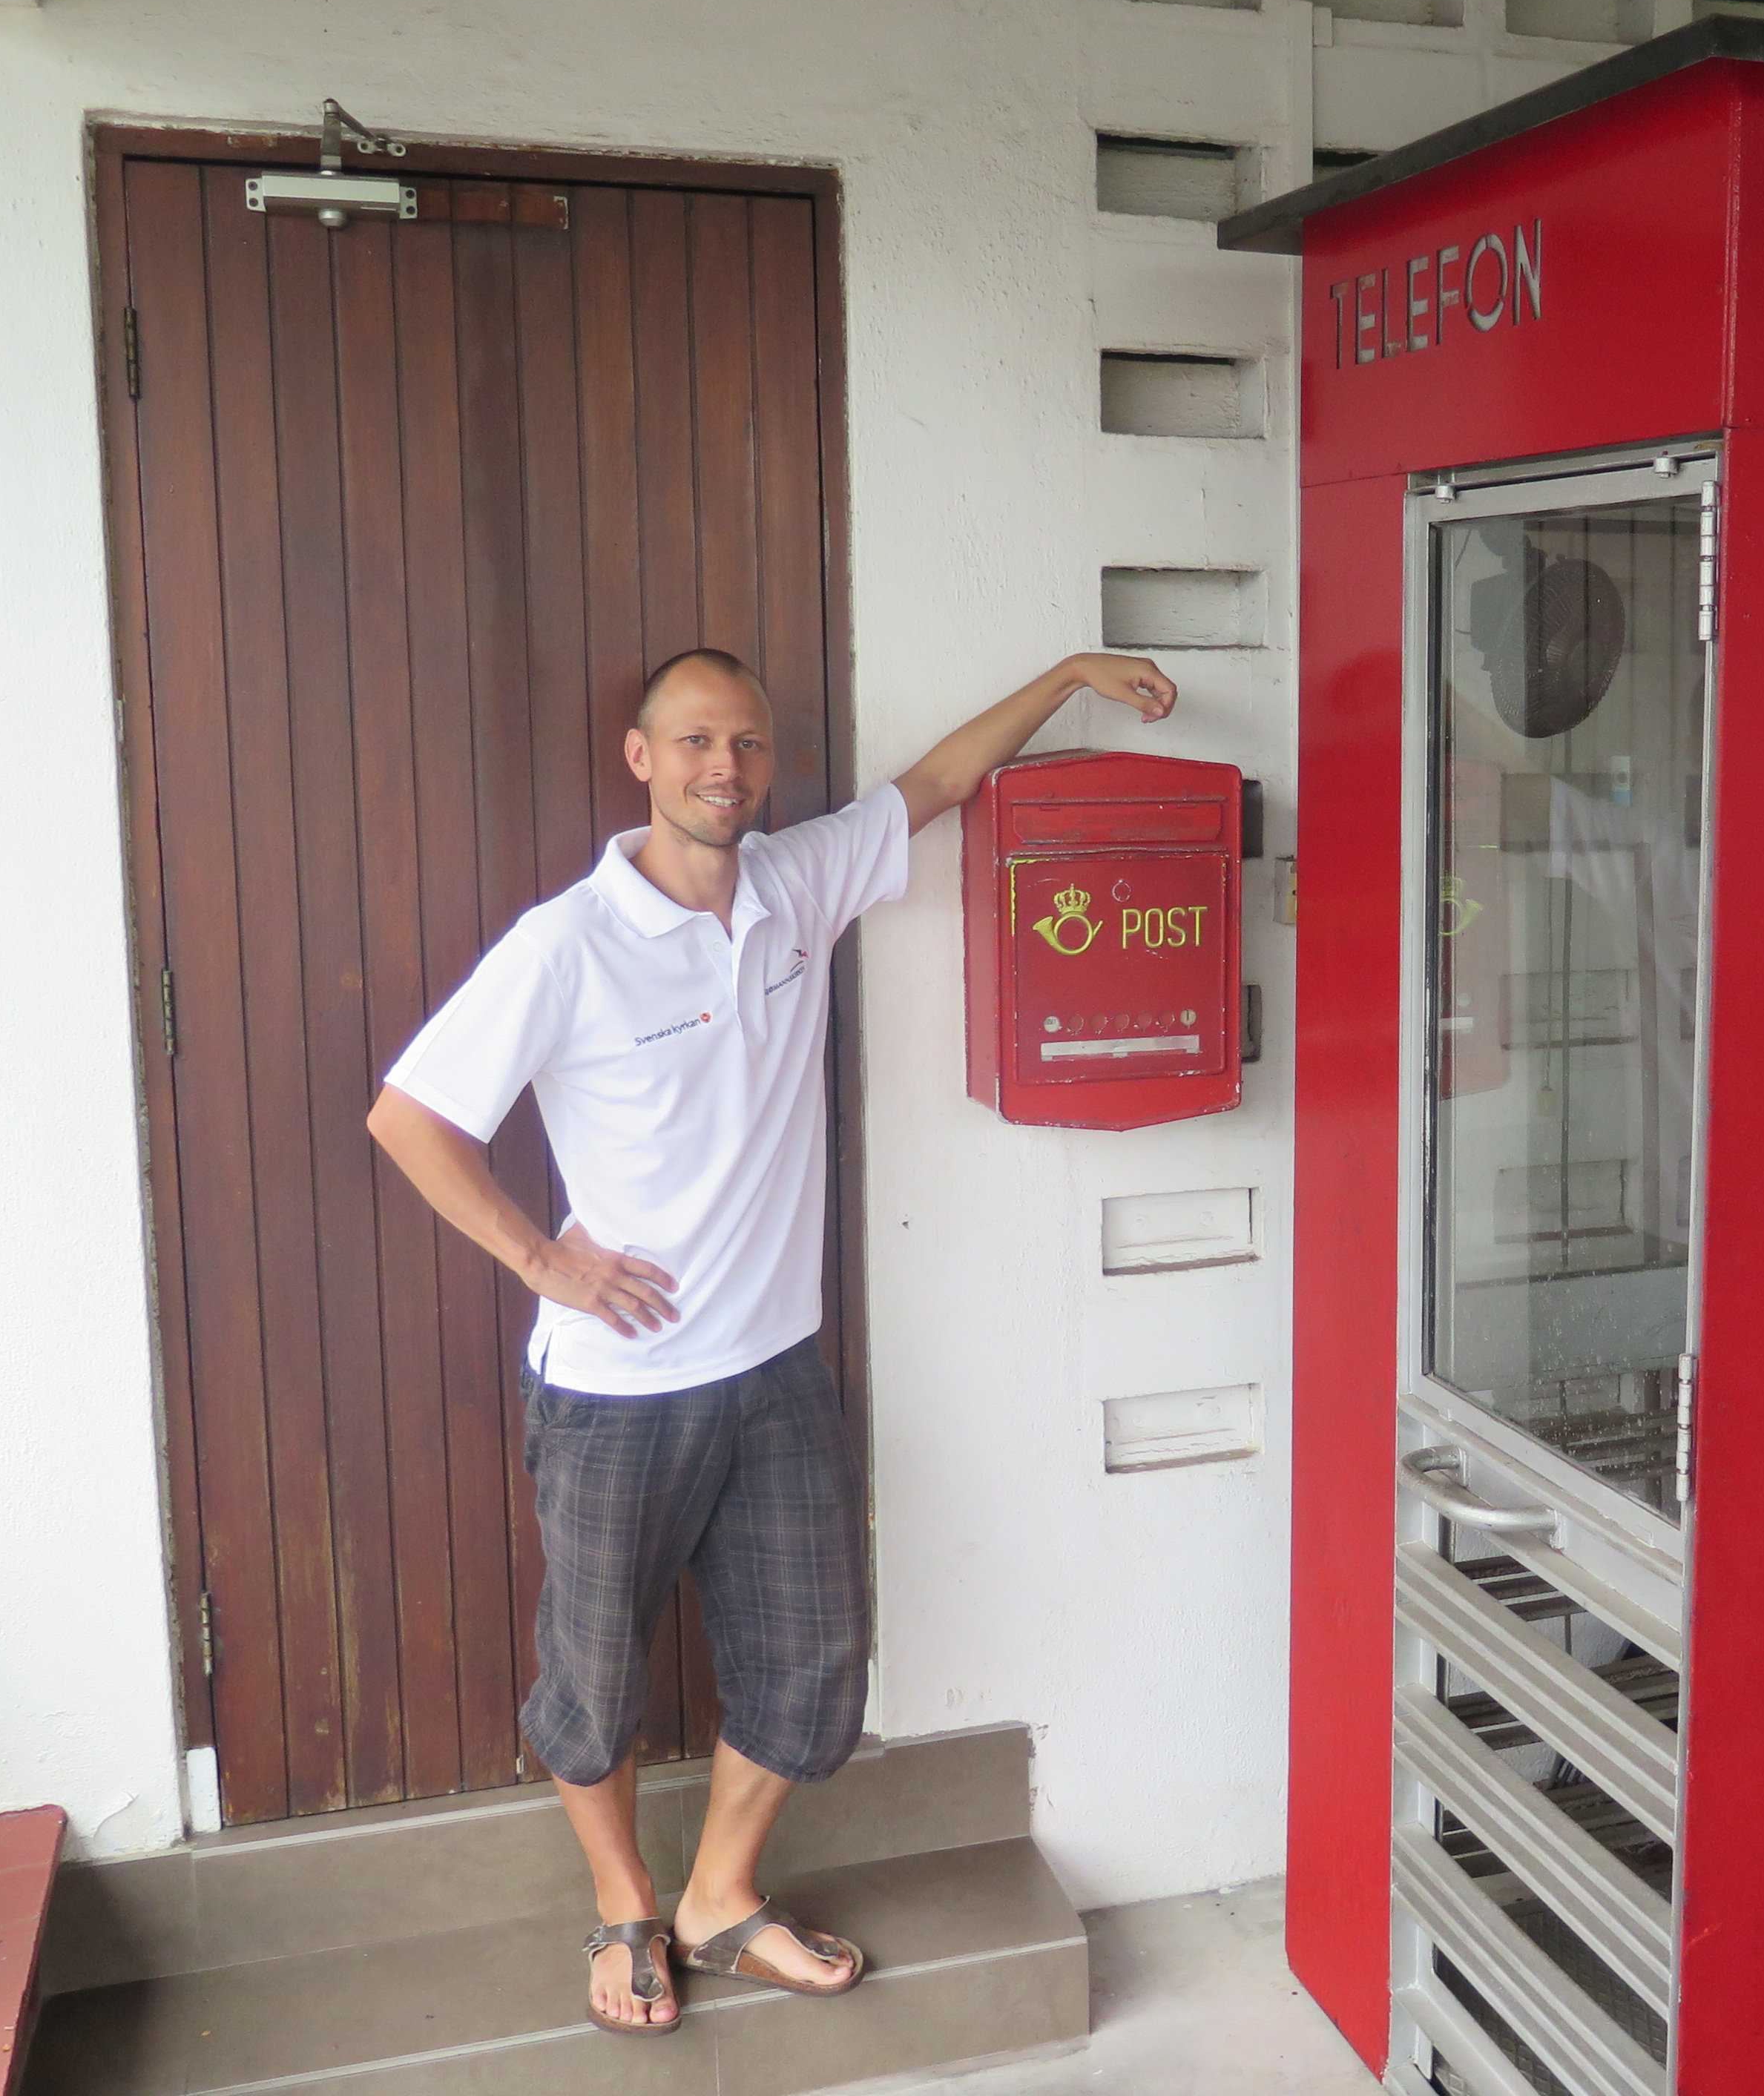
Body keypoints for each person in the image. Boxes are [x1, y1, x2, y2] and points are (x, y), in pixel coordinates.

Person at [367, 646, 1178, 2034]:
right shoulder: (569, 942)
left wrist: (1070, 675)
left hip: (776, 1368)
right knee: (598, 1675)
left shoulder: (798, 884)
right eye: (693, 743)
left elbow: (934, 782)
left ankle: (719, 1900)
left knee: (811, 1661)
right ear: (641, 758)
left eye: (744, 744)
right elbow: (411, 1117)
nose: (723, 769)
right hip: (618, 1393)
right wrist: (544, 1259)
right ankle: (625, 1905)